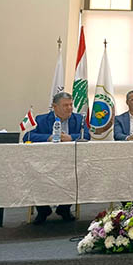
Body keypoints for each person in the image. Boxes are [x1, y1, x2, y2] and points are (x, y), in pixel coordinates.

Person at [25, 91, 90, 224]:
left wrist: (71, 137)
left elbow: (87, 135)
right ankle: (43, 210)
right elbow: (28, 136)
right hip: (45, 162)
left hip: (70, 162)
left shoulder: (79, 119)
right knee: (36, 175)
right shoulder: (41, 119)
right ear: (55, 107)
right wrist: (48, 137)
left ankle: (64, 208)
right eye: (66, 105)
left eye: (71, 105)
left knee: (77, 175)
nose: (70, 108)